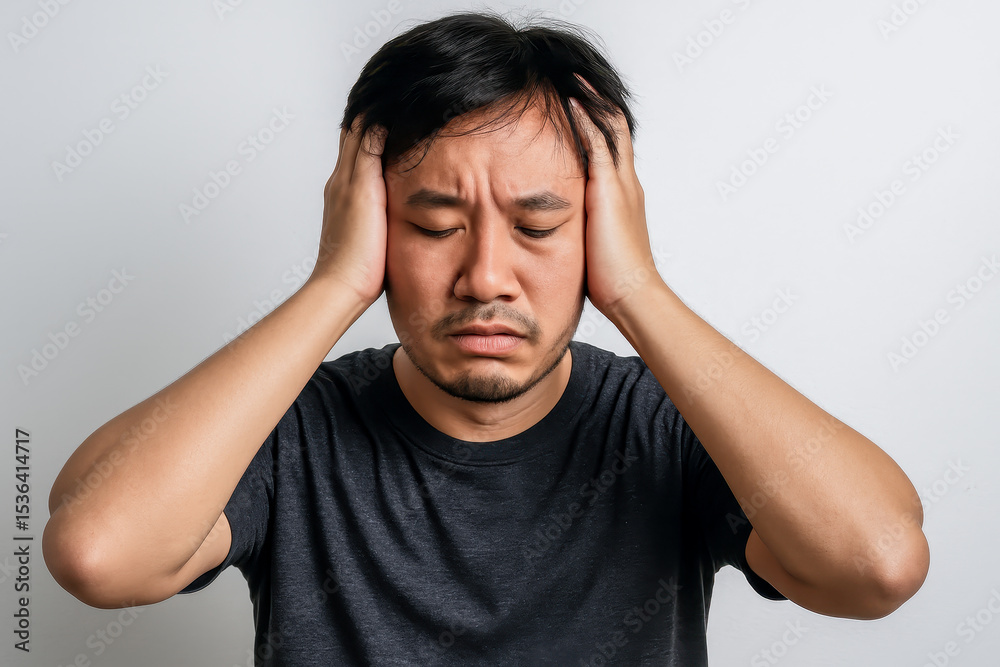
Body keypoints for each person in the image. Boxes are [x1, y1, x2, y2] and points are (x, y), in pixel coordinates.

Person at [42, 10, 929, 666]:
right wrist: (333, 286)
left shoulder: (670, 423)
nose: (486, 277)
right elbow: (95, 551)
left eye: (538, 226)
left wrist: (640, 292)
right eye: (434, 225)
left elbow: (877, 563)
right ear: (370, 223)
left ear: (602, 229)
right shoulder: (290, 427)